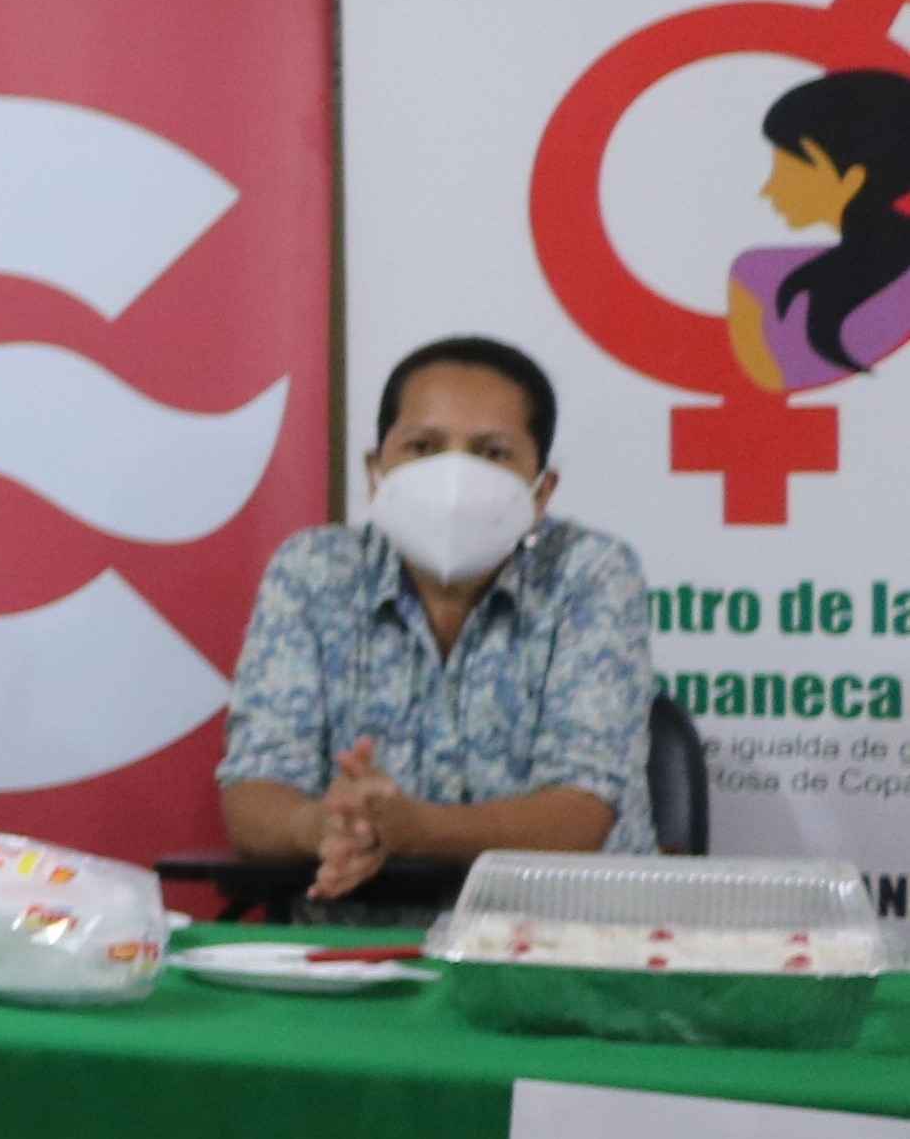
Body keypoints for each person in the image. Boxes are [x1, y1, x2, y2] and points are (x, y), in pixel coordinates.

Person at [215, 334, 655, 906]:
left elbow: (580, 815)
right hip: (356, 959)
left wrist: (413, 829)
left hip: (566, 944)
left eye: (492, 453)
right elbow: (252, 794)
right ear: (376, 471)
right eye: (423, 446)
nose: (454, 478)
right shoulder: (314, 572)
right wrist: (326, 827)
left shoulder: (590, 573)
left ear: (542, 490)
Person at [733, 68, 910, 391]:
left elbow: (767, 380)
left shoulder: (757, 276)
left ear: (851, 180)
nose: (768, 189)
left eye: (786, 170)